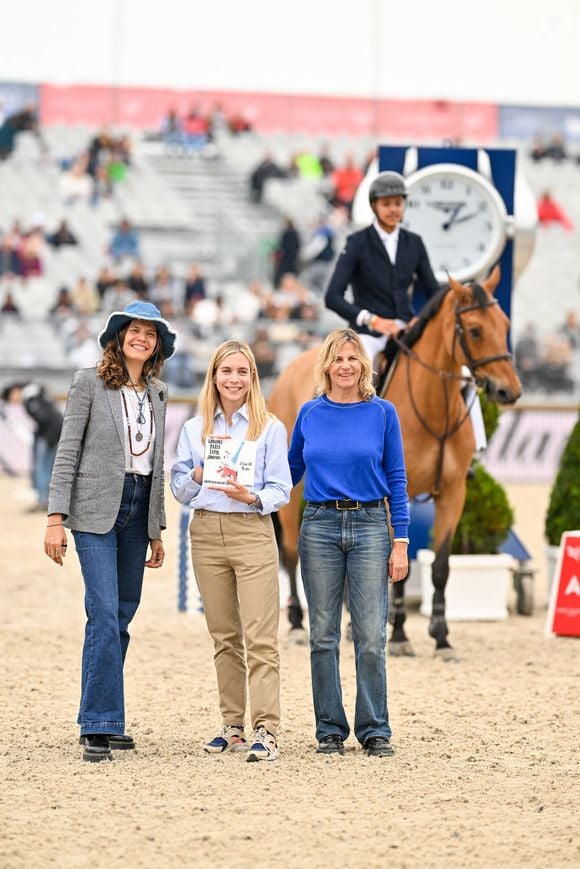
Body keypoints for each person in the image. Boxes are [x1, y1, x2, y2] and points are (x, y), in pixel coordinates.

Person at [44, 301, 176, 763]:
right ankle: (98, 723)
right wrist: (55, 518)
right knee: (102, 611)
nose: (142, 337)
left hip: (139, 510)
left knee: (121, 615)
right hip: (94, 510)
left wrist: (157, 528)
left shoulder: (158, 393)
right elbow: (66, 452)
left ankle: (105, 717)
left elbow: (157, 466)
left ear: (157, 345)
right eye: (134, 330)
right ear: (118, 337)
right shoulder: (88, 382)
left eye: (151, 333)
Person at [288, 328, 409, 758]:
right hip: (319, 525)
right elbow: (289, 472)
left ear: (364, 366)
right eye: (337, 359)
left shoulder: (383, 413)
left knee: (371, 634)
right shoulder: (309, 414)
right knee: (323, 633)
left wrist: (401, 540)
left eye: (352, 359)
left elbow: (397, 478)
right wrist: (246, 488)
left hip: (372, 524)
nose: (345, 366)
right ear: (326, 365)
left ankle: (375, 727)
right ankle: (330, 730)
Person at [170, 340, 291, 762]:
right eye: (227, 371)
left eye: (243, 372)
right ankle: (232, 725)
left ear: (252, 377)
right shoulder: (194, 429)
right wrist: (201, 473)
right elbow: (179, 487)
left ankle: (267, 729)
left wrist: (251, 497)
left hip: (251, 530)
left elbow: (282, 488)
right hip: (205, 533)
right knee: (224, 637)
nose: (234, 379)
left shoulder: (269, 428)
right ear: (214, 376)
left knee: (260, 636)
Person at [325, 170, 439, 364]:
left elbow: (434, 292)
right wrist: (372, 320)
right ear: (374, 206)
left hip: (406, 330)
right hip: (369, 334)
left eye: (398, 203)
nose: (393, 209)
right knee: (357, 372)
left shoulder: (414, 242)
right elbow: (332, 297)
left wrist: (419, 320)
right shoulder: (357, 242)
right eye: (386, 204)